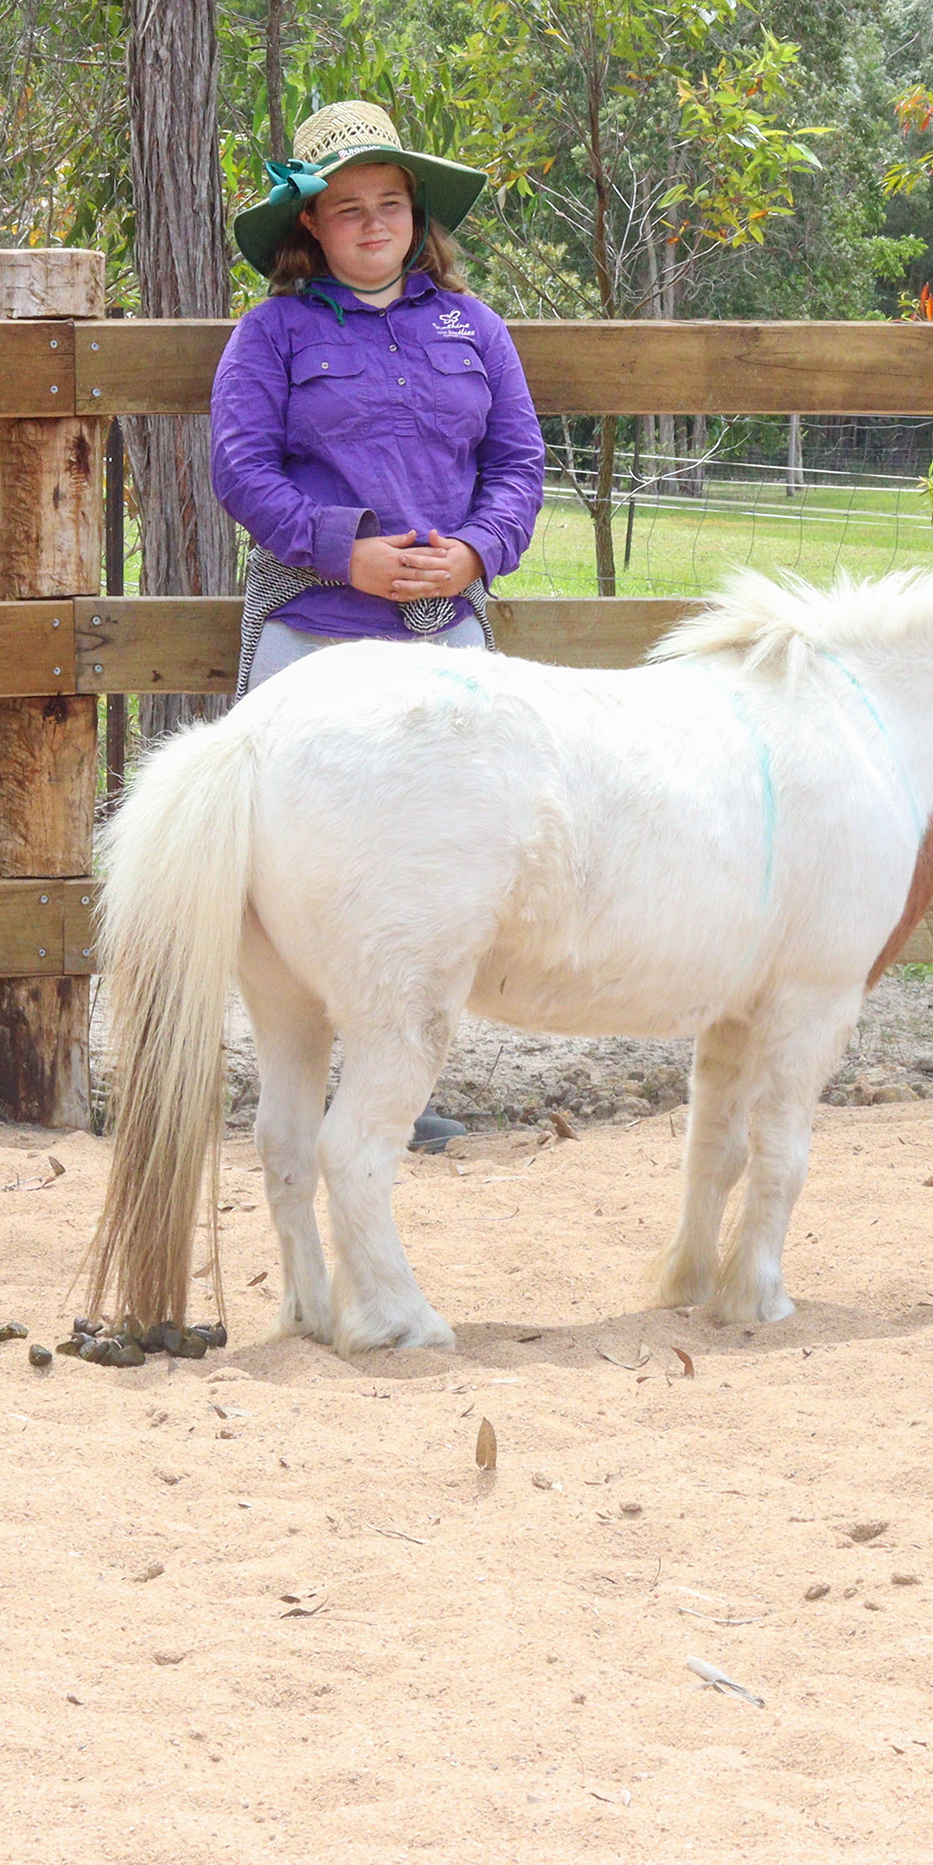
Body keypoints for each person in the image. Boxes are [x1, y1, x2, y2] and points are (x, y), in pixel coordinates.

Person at [212, 99, 545, 1149]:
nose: (371, 226)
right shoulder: (271, 335)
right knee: (289, 866)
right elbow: (240, 465)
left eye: (389, 205)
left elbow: (520, 465)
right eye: (346, 209)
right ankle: (292, 1080)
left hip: (443, 630)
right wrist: (339, 546)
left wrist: (479, 549)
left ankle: (394, 1078)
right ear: (309, 226)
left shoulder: (472, 329)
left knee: (444, 862)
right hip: (316, 621)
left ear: (416, 216)